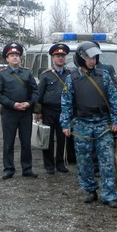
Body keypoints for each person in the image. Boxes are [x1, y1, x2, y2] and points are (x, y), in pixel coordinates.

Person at [60, 41, 117, 208]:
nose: (92, 61)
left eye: (95, 58)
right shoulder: (72, 78)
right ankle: (90, 189)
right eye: (89, 58)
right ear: (80, 59)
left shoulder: (104, 75)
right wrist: (65, 124)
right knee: (84, 160)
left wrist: (116, 120)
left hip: (103, 124)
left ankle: (109, 194)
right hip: (81, 124)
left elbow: (114, 98)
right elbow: (66, 103)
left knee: (107, 160)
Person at [0, 43, 39, 180]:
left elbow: (36, 91)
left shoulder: (27, 73)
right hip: (9, 113)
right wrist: (13, 104)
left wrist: (29, 103)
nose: (15, 57)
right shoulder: (2, 75)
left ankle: (27, 168)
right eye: (12, 55)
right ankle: (8, 169)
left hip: (25, 112)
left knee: (26, 141)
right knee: (9, 142)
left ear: (20, 58)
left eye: (17, 55)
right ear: (7, 59)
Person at [36, 43, 71, 174]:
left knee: (62, 139)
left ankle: (60, 163)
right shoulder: (46, 75)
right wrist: (38, 111)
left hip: (63, 111)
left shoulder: (69, 74)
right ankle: (49, 165)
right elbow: (39, 95)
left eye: (62, 56)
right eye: (57, 56)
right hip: (48, 110)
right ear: (53, 57)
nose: (60, 58)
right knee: (48, 139)